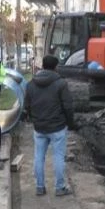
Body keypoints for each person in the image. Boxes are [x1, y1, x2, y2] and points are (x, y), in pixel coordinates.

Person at [23, 55, 77, 197]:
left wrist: (32, 119)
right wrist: (70, 123)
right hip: (57, 127)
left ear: (43, 66)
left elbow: (26, 106)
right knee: (58, 156)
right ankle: (60, 187)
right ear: (55, 67)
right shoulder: (61, 84)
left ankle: (40, 187)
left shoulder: (31, 84)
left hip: (39, 127)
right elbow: (68, 106)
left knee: (38, 156)